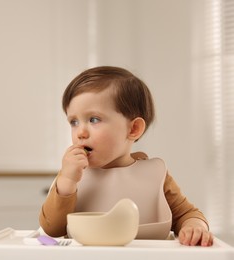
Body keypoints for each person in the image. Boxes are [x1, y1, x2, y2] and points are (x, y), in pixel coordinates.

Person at [39, 66, 213, 247]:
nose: (80, 132)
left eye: (94, 119)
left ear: (133, 129)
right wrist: (67, 182)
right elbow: (52, 229)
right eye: (74, 122)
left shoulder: (154, 174)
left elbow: (187, 214)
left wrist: (195, 226)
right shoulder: (71, 176)